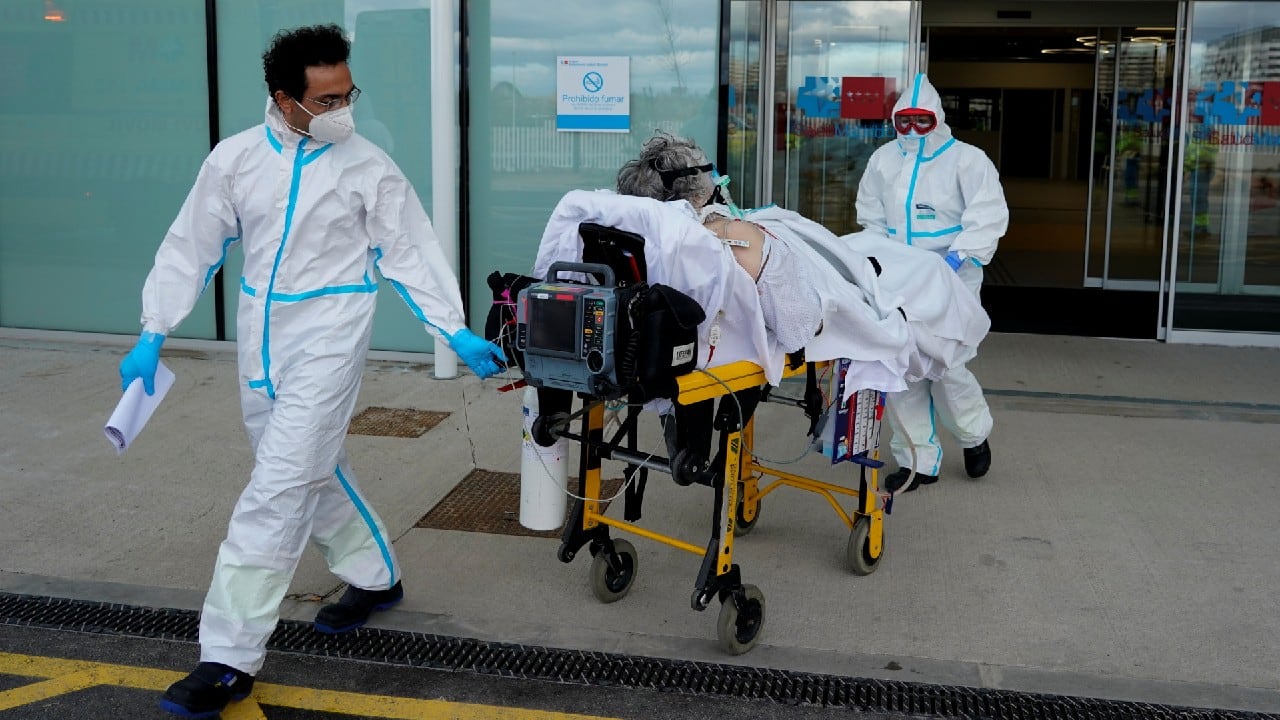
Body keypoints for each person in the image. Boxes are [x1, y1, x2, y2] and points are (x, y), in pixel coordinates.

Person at [116, 24, 505, 718]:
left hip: (330, 336)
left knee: (277, 488)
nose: (342, 110)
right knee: (307, 468)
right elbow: (191, 248)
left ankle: (228, 657)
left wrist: (452, 328)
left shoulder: (366, 166)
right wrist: (154, 330)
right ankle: (375, 574)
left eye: (347, 94)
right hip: (260, 341)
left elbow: (408, 251)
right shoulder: (235, 160)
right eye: (326, 100)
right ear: (284, 99)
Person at [854, 72, 1009, 493]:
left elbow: (988, 214)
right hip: (899, 276)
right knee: (900, 368)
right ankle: (917, 461)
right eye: (904, 121)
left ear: (937, 118)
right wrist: (875, 261)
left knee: (946, 365)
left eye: (921, 120)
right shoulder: (883, 160)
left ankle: (974, 435)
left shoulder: (967, 160)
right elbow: (871, 217)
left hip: (951, 274)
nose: (911, 129)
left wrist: (959, 256)